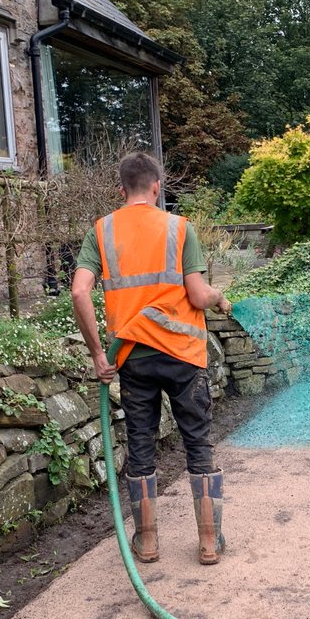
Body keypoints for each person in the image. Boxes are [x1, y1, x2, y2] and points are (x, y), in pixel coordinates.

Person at [71, 152, 232, 565]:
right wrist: (218, 298)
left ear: (121, 189)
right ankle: (210, 542)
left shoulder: (101, 231)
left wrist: (96, 354)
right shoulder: (179, 228)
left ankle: (147, 543)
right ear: (157, 186)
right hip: (183, 354)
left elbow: (78, 292)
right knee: (198, 442)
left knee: (140, 445)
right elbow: (197, 295)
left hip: (132, 358)